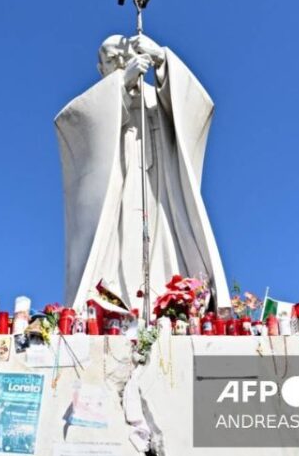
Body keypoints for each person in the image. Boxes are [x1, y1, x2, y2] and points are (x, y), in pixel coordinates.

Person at [55, 33, 230, 309]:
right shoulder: (96, 106)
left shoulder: (158, 98)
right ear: (102, 68)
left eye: (124, 59)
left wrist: (162, 58)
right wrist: (121, 88)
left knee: (166, 244)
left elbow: (198, 107)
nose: (122, 64)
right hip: (120, 187)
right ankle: (115, 301)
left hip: (161, 187)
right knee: (120, 243)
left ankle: (173, 301)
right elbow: (70, 124)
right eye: (112, 60)